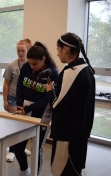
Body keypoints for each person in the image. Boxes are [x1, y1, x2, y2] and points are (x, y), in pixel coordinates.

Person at [45, 32, 95, 176]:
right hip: (81, 134)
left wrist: (49, 91)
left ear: (65, 49)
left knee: (63, 172)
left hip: (68, 135)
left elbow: (57, 106)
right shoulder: (86, 69)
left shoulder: (71, 72)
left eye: (58, 49)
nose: (57, 54)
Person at [14, 41, 59, 176]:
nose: (32, 67)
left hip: (42, 114)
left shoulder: (53, 73)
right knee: (18, 146)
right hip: (25, 111)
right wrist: (20, 105)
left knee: (37, 148)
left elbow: (47, 99)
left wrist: (28, 108)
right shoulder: (27, 67)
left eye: (35, 64)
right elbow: (20, 87)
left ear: (43, 59)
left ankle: (35, 174)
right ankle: (24, 170)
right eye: (30, 63)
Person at [3, 39, 32, 162]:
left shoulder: (32, 65)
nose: (20, 53)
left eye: (23, 51)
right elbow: (6, 84)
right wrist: (5, 100)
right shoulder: (12, 66)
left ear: (28, 51)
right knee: (14, 125)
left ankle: (20, 147)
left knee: (24, 126)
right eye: (18, 51)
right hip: (13, 97)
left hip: (26, 99)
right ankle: (11, 150)